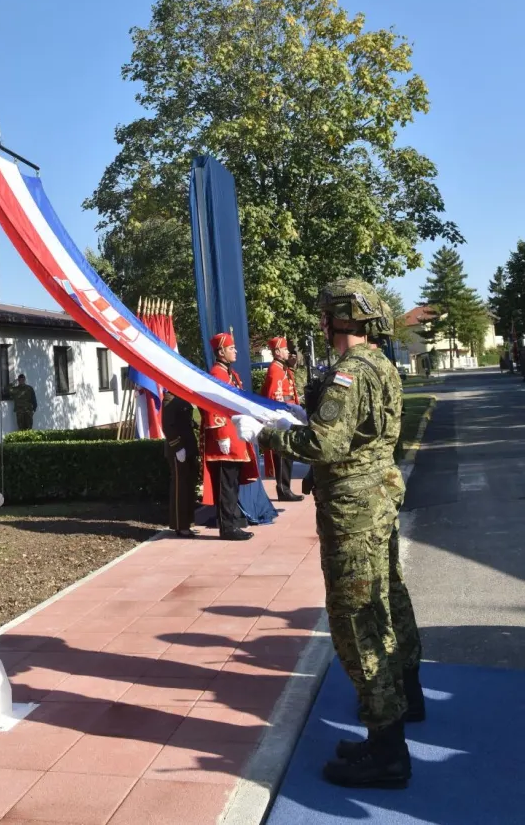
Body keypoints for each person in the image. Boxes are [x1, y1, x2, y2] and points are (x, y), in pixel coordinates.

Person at [241, 280, 422, 789]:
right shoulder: (380, 364)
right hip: (379, 495)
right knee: (387, 599)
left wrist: (268, 433)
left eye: (324, 314)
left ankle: (386, 750)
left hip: (354, 509)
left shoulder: (348, 372)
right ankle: (406, 699)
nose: (321, 321)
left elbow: (325, 442)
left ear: (337, 319)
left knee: (354, 619)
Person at [201, 332, 254, 541]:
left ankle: (233, 521)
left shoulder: (231, 374)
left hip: (235, 437)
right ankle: (227, 527)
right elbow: (213, 407)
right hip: (226, 439)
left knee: (232, 484)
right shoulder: (217, 374)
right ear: (221, 352)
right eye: (231, 348)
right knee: (227, 485)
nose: (236, 351)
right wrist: (222, 435)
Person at [261, 337, 303, 502]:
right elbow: (275, 395)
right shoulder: (276, 370)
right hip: (282, 416)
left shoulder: (282, 368)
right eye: (285, 349)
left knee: (287, 454)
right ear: (277, 352)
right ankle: (283, 489)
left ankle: (285, 488)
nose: (287, 352)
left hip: (289, 413)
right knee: (283, 454)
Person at [161, 391, 200, 536]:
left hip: (188, 447)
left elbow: (185, 421)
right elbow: (167, 426)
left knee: (189, 487)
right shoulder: (169, 398)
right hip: (178, 450)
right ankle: (179, 525)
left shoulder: (181, 396)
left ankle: (187, 523)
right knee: (180, 488)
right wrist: (177, 447)